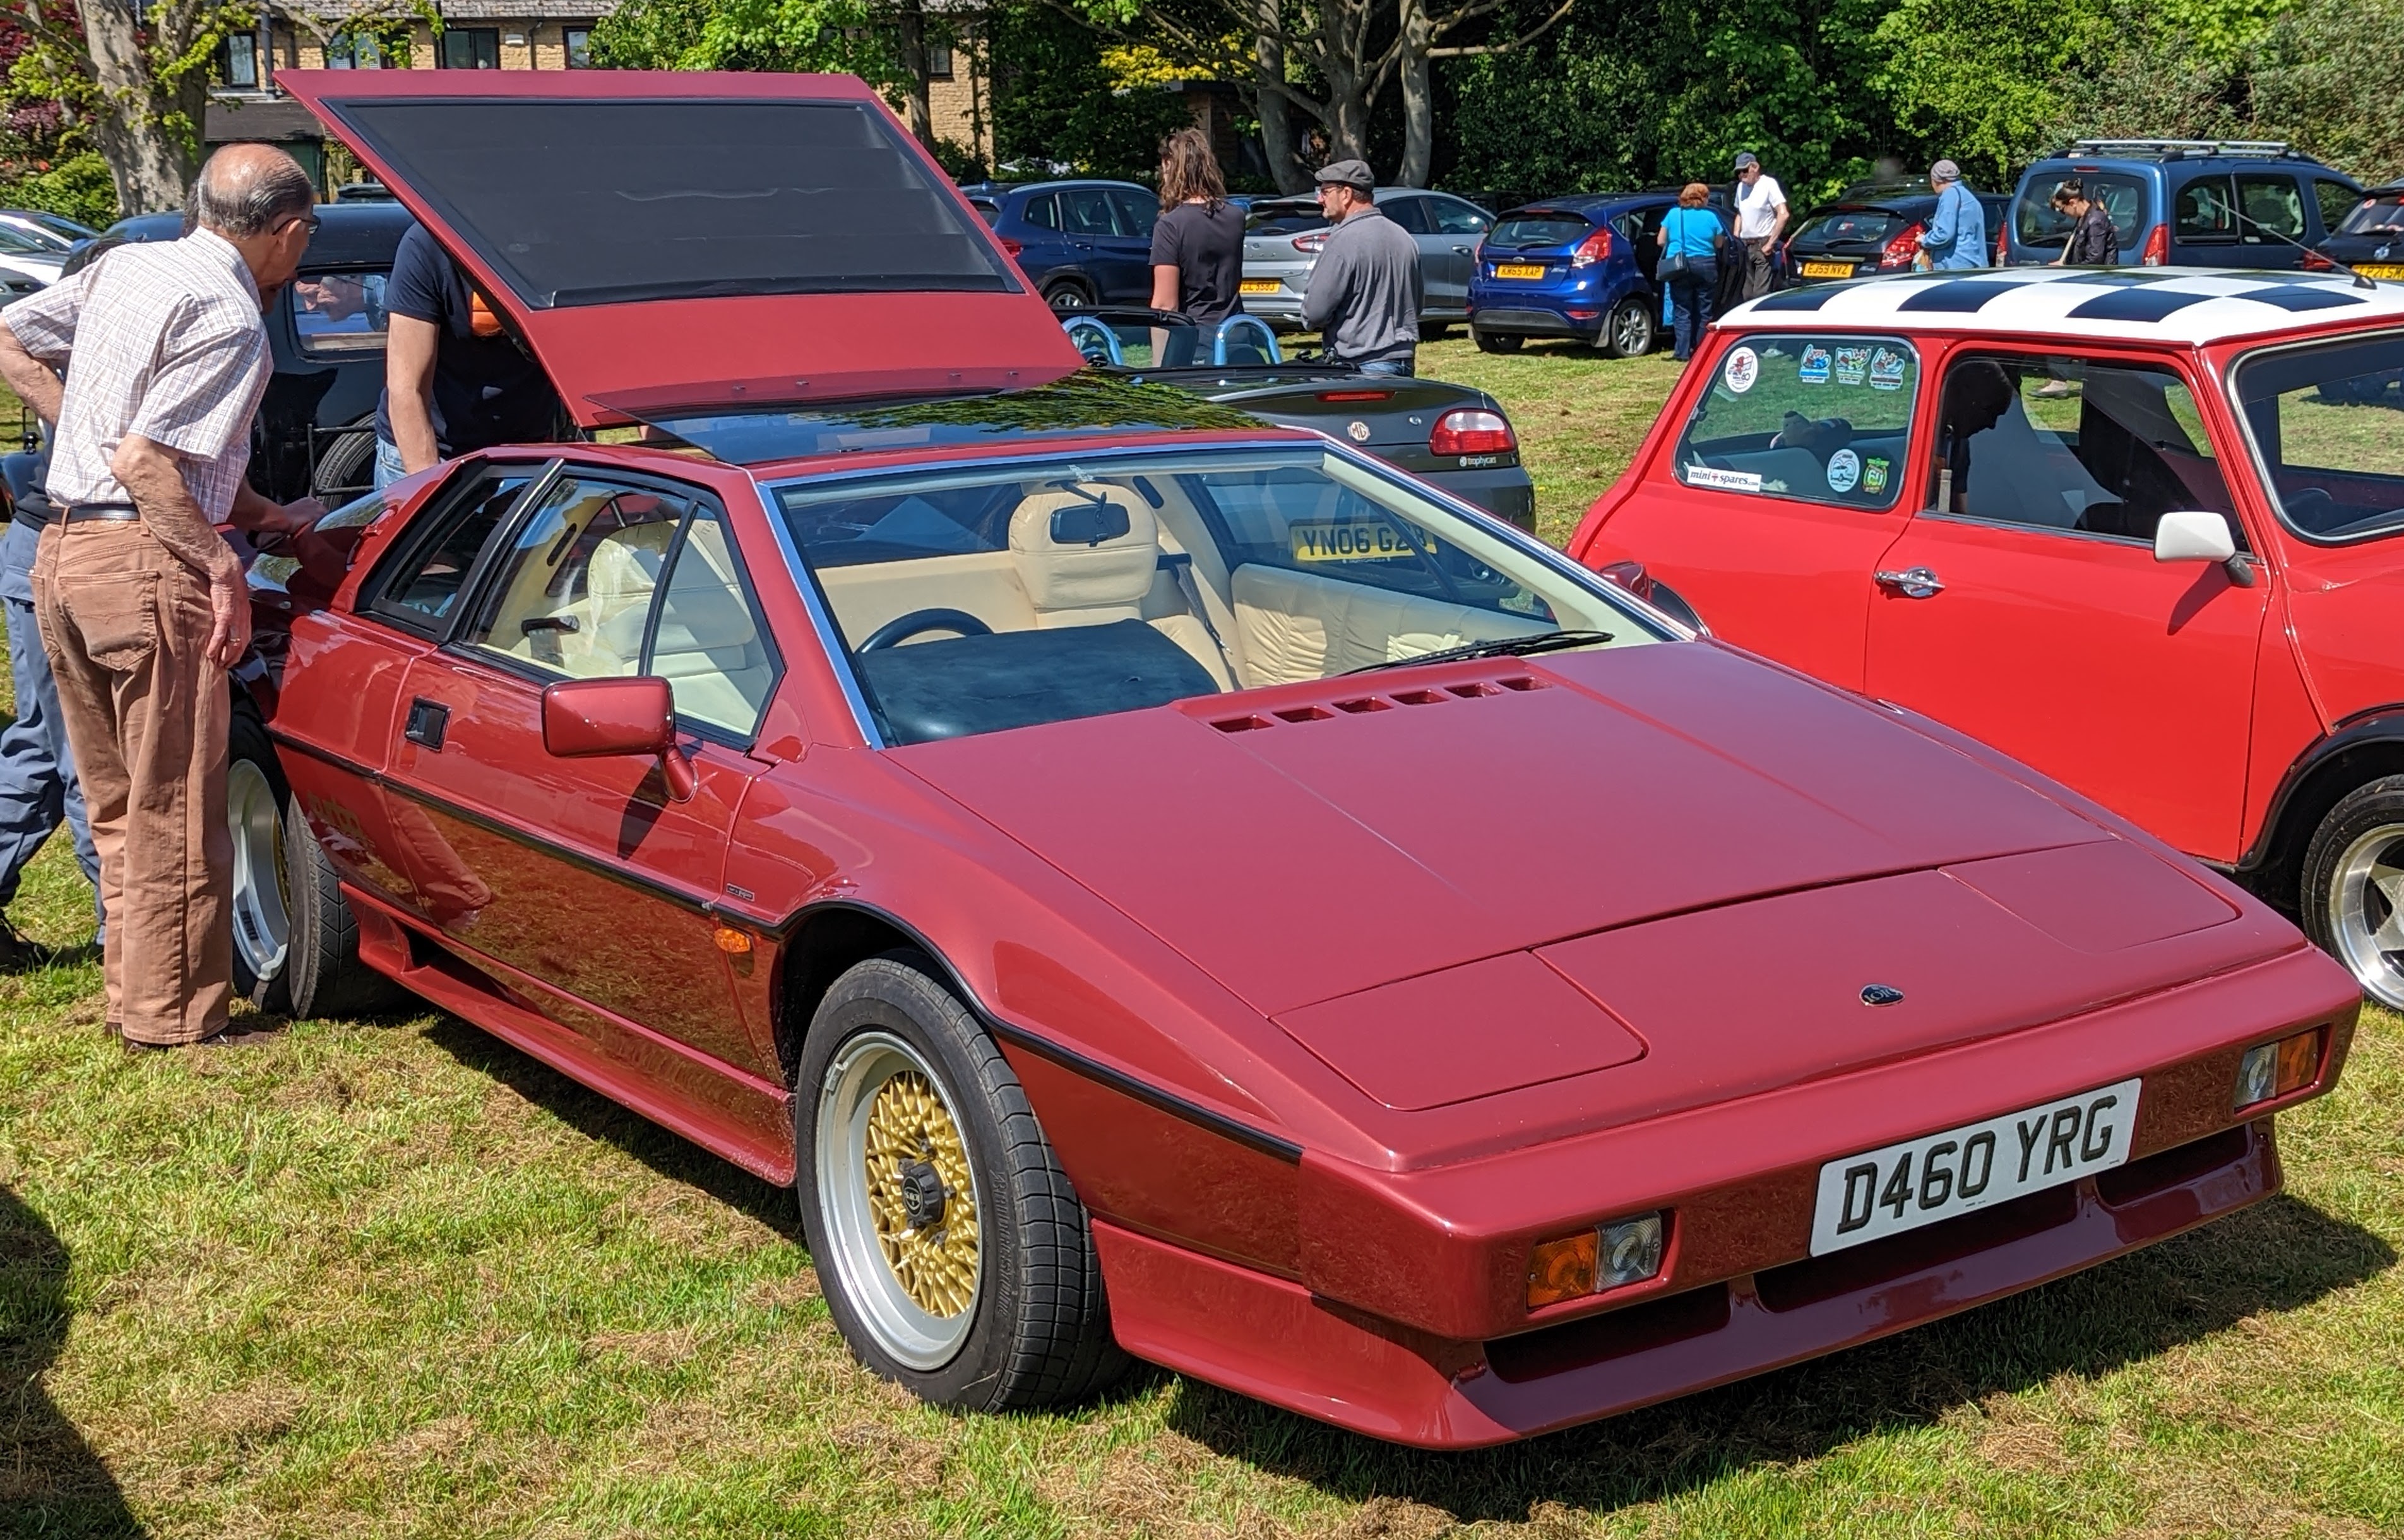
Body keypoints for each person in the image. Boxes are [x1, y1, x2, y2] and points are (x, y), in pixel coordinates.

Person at [0, 145, 324, 1048]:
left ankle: (131, 995)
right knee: (178, 801)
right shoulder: (229, 315)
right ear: (288, 231)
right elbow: (148, 462)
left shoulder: (126, 264)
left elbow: (10, 336)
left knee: (115, 799)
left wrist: (80, 428)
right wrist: (224, 568)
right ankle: (177, 1021)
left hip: (60, 550)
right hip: (145, 569)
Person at [375, 222, 562, 489]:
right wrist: (431, 492)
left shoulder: (560, 244)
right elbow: (406, 388)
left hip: (527, 450)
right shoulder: (428, 243)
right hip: (430, 452)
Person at [1299, 159, 1422, 377]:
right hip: (1403, 361)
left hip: (1360, 365)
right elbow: (1417, 304)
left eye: (1325, 191)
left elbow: (1315, 312)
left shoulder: (1342, 240)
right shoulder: (1404, 237)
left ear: (1346, 194)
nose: (1320, 199)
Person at [1150, 127, 1245, 331]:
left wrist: (1160, 361)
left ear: (1170, 166)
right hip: (1235, 332)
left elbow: (1165, 306)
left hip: (1194, 338)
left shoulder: (1170, 225)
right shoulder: (1235, 217)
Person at [1655, 182, 1723, 362]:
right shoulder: (1711, 217)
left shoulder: (1673, 214)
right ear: (1703, 198)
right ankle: (1701, 350)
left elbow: (1661, 241)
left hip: (1679, 265)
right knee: (1704, 310)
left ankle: (1682, 352)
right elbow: (1719, 244)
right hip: (1706, 265)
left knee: (1682, 309)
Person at [1732, 151, 1788, 300]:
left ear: (1755, 167)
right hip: (1745, 246)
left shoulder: (1768, 184)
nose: (1741, 175)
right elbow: (1740, 214)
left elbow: (1783, 214)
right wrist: (1736, 238)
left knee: (1760, 294)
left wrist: (1771, 243)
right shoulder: (1740, 187)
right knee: (1746, 295)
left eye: (1745, 171)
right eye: (1738, 172)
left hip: (1763, 244)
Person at [1917, 160, 1989, 271]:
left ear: (1936, 180)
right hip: (1972, 264)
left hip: (1954, 267)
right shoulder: (1968, 197)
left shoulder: (1950, 195)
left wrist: (1925, 240)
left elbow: (1945, 234)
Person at [2052, 178, 2121, 266]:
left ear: (2072, 203)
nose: (2064, 213)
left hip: (2096, 276)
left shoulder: (2096, 221)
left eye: (2062, 209)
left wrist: (2072, 270)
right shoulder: (2084, 218)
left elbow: (2095, 259)